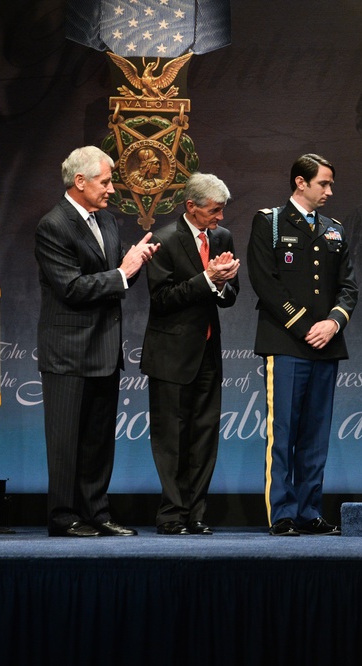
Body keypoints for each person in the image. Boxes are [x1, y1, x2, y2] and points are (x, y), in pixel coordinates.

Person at [35, 145, 158, 537]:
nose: (111, 189)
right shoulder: (53, 226)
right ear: (80, 181)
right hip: (68, 354)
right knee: (66, 441)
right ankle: (64, 516)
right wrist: (123, 272)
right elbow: (71, 287)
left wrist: (134, 262)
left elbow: (115, 277)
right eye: (105, 182)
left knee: (98, 441)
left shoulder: (105, 222)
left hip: (104, 350)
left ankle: (97, 513)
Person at [248, 154, 358, 537]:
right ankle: (283, 512)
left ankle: (310, 511)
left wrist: (333, 323)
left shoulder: (335, 230)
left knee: (316, 433)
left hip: (326, 344)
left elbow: (348, 287)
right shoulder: (271, 222)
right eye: (323, 183)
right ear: (300, 182)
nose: (329, 190)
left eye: (330, 184)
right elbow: (265, 282)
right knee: (284, 433)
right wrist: (304, 325)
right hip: (286, 342)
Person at [140, 173, 240, 535]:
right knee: (171, 442)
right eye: (214, 211)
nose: (220, 218)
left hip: (208, 355)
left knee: (204, 438)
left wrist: (224, 282)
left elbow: (229, 297)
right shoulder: (164, 240)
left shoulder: (222, 238)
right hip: (170, 356)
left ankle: (196, 513)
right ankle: (171, 515)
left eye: (222, 210)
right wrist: (208, 279)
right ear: (191, 207)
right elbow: (162, 299)